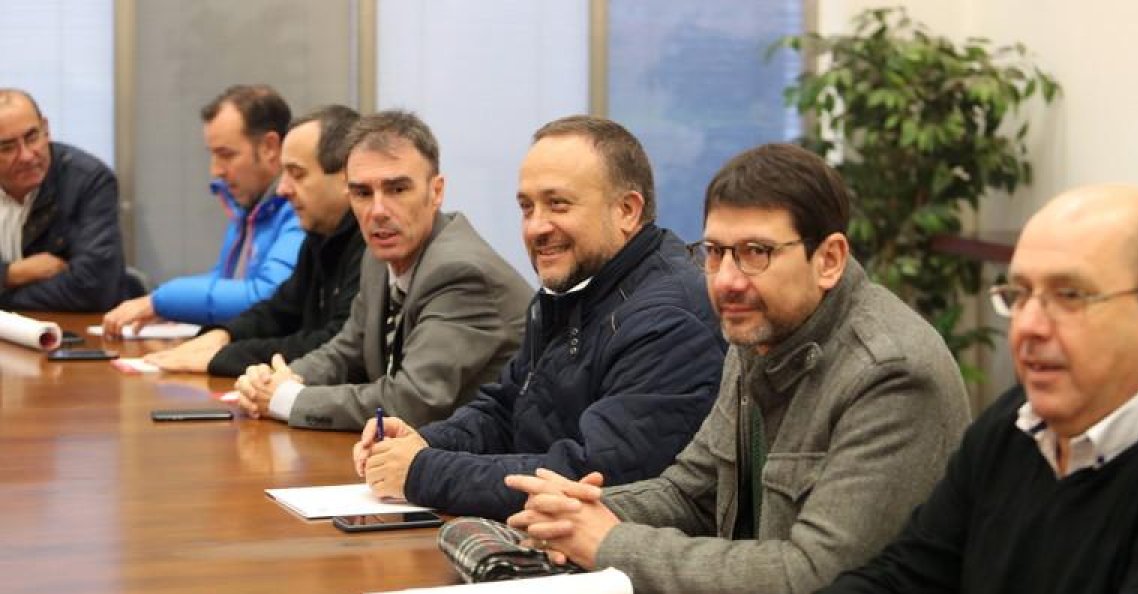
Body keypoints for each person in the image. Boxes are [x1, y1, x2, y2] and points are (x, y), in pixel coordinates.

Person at [503, 144, 970, 594]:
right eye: (716, 252)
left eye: (756, 252)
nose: (726, 280)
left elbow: (810, 576)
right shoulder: (761, 330)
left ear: (830, 259)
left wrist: (611, 543)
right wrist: (578, 514)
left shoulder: (890, 372)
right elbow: (691, 490)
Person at [709, 184, 1138, 594]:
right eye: (1020, 294)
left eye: (1069, 296)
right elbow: (907, 585)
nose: (1028, 326)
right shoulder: (1017, 426)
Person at [351, 115, 726, 522]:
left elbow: (593, 476)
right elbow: (506, 409)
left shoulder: (670, 320)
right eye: (527, 207)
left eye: (558, 204)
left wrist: (422, 470)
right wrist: (421, 441)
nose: (535, 227)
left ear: (627, 211)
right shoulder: (575, 288)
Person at [234, 109, 531, 432]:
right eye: (362, 193)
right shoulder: (379, 257)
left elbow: (411, 401)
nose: (377, 211)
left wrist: (286, 399)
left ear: (436, 191)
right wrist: (279, 378)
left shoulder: (462, 272)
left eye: (397, 189)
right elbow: (344, 351)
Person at [144, 105, 365, 376]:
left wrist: (223, 357)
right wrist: (223, 335)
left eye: (297, 174)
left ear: (347, 177)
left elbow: (335, 346)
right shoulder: (320, 235)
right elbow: (279, 311)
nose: (283, 189)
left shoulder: (370, 244)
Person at [102, 84, 304, 332]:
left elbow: (267, 296)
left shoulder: (300, 210)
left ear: (270, 147)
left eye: (226, 155)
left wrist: (162, 301)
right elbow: (224, 280)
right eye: (213, 154)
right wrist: (173, 307)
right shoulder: (249, 207)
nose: (215, 170)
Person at [0, 88, 126, 311]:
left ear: (46, 129)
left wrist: (5, 297)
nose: (27, 156)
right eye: (8, 147)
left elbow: (93, 287)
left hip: (72, 332)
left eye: (32, 137)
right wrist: (11, 274)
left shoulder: (88, 181)